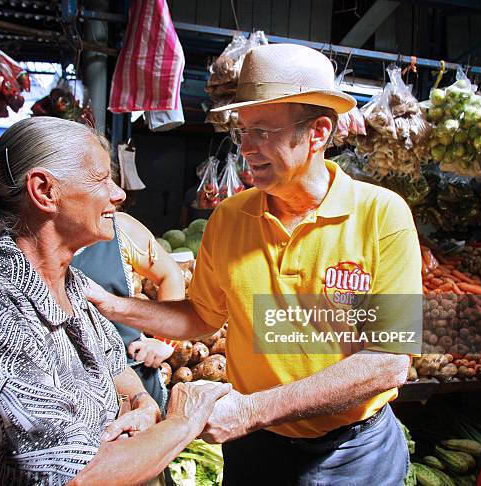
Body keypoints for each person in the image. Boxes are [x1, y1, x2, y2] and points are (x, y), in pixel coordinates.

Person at [86, 44, 422, 485]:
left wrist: (252, 409)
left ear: (318, 133)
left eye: (262, 132)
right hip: (258, 448)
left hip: (354, 455)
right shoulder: (228, 217)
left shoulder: (382, 215)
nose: (246, 148)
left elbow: (388, 361)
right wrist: (109, 304)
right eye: (241, 132)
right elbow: (201, 316)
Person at [0, 117, 230, 486]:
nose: (119, 194)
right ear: (44, 191)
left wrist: (142, 401)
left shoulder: (72, 286)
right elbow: (76, 477)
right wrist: (183, 422)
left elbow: (113, 365)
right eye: (101, 179)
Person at [72, 211, 185, 411]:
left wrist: (165, 340)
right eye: (97, 180)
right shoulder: (12, 240)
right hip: (72, 395)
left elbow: (170, 273)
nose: (118, 193)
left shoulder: (119, 227)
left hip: (137, 385)